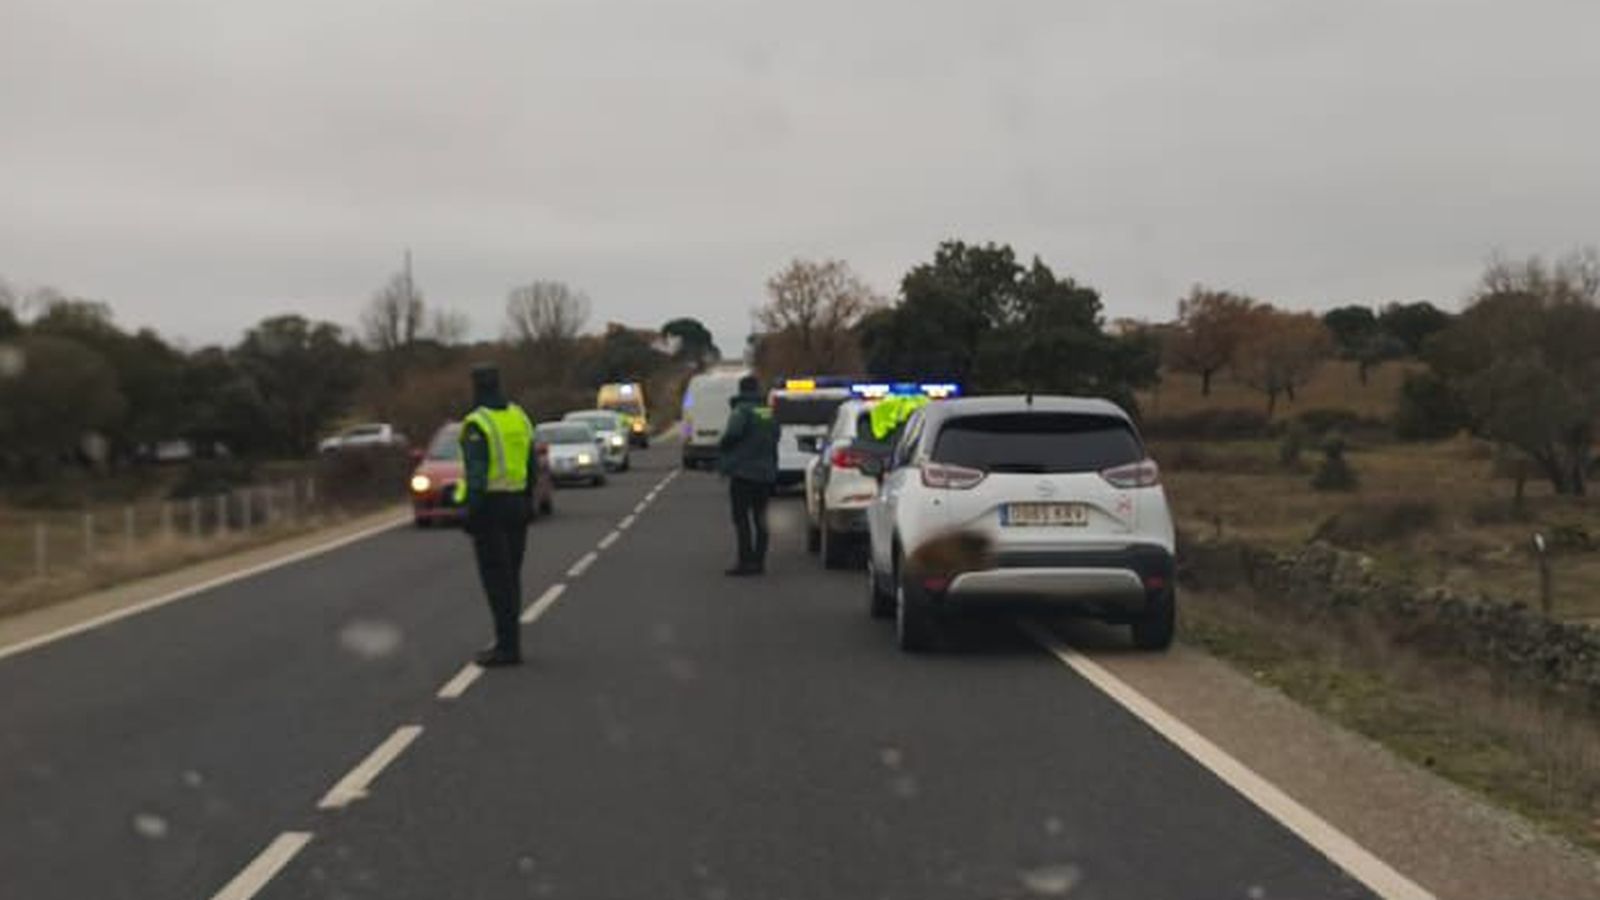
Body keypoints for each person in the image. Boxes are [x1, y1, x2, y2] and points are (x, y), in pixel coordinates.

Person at [454, 364, 536, 666]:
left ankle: (506, 647)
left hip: (490, 508)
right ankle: (510, 641)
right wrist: (529, 501)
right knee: (512, 577)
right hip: (517, 504)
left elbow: (476, 474)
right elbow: (531, 464)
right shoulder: (518, 416)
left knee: (496, 580)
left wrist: (469, 512)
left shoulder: (479, 423)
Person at [717, 375, 779, 576]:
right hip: (766, 474)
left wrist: (723, 447)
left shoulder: (741, 411)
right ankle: (759, 561)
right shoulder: (767, 412)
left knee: (741, 518)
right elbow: (777, 435)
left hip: (743, 473)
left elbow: (732, 434)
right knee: (761, 519)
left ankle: (745, 560)